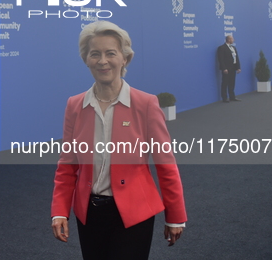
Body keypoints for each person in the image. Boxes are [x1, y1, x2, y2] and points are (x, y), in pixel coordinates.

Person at [51, 20, 187, 260]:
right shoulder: (75, 105)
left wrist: (175, 215)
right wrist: (59, 211)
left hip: (134, 213)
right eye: (95, 54)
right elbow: (67, 165)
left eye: (110, 53)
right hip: (89, 214)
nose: (102, 61)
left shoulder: (145, 104)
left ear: (125, 58)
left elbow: (166, 163)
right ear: (86, 59)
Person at [217, 34, 241, 102]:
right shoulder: (221, 48)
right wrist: (224, 68)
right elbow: (221, 59)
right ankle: (224, 98)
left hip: (233, 68)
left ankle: (232, 97)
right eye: (232, 39)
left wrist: (238, 67)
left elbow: (236, 58)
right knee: (225, 83)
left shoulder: (233, 48)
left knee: (232, 83)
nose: (233, 40)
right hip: (226, 69)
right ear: (228, 40)